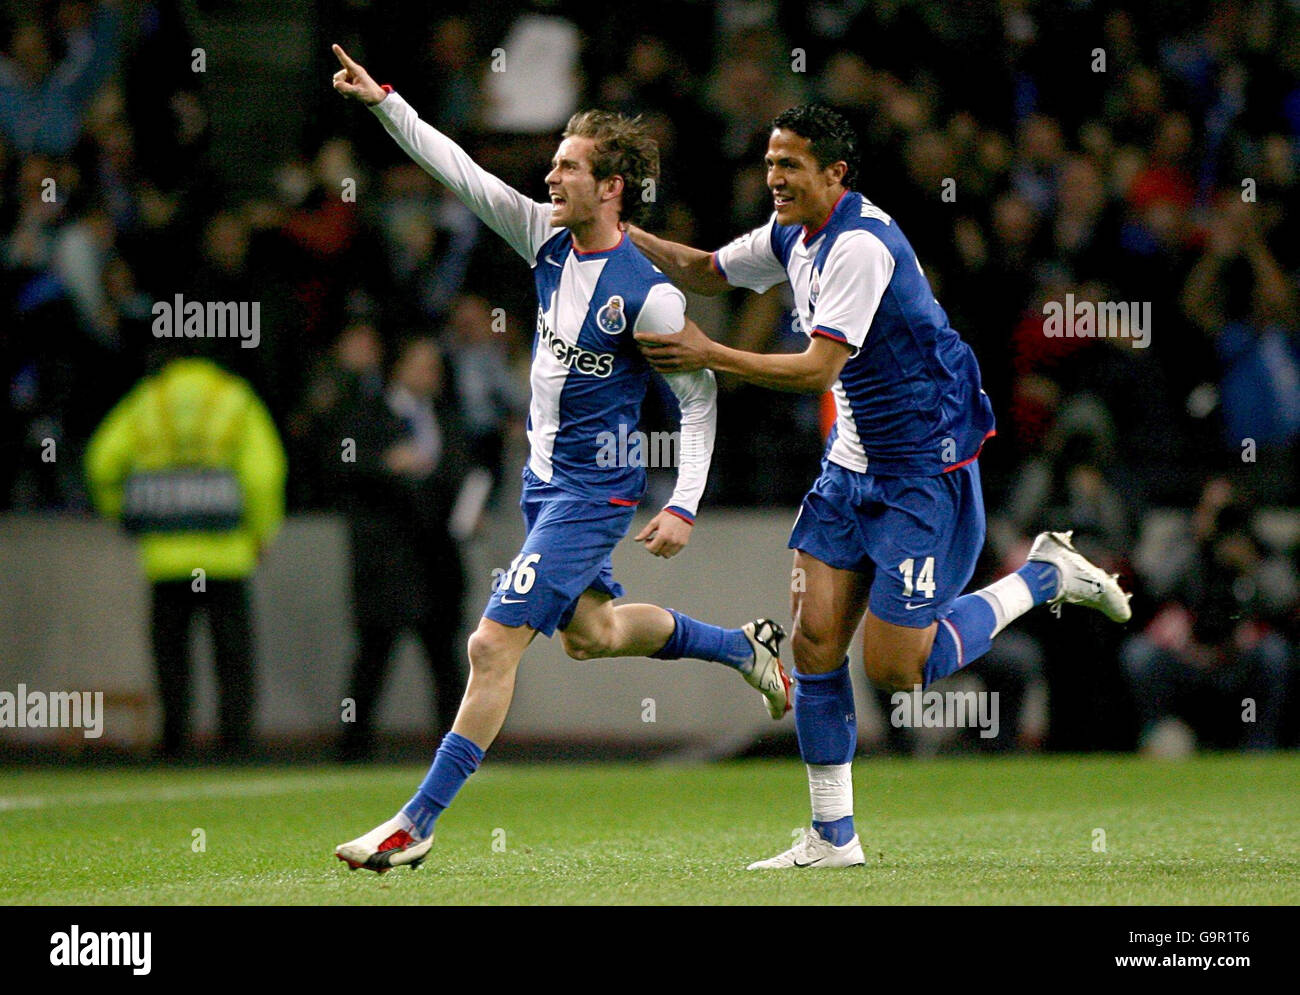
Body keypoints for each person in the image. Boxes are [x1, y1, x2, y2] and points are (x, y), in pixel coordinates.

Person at [632, 104, 1133, 869]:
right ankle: (833, 836)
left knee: (897, 669)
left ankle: (1045, 574)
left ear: (835, 173)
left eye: (790, 164)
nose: (774, 177)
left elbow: (815, 370)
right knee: (812, 641)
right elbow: (703, 268)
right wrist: (621, 235)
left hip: (923, 470)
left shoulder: (859, 247)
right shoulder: (788, 237)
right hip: (852, 465)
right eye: (770, 163)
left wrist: (709, 351)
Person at [329, 43, 790, 872]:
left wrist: (683, 500)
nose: (551, 179)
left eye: (568, 168)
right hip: (545, 486)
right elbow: (460, 170)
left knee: (489, 645)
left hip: (595, 491)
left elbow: (697, 398)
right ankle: (741, 649)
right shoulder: (542, 237)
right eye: (552, 165)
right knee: (594, 632)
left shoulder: (647, 292)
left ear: (610, 187)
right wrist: (384, 101)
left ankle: (417, 820)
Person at [85, 349, 286, 759]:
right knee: (232, 657)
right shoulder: (233, 397)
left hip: (166, 558)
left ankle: (175, 743)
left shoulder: (149, 397)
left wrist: (122, 513)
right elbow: (264, 473)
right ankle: (236, 744)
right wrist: (261, 530)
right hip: (227, 555)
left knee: (171, 657)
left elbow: (101, 462)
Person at [332, 337, 470, 761]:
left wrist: (468, 508)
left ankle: (459, 750)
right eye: (422, 364)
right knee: (374, 654)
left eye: (435, 365)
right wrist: (385, 464)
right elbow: (338, 464)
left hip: (439, 559)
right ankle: (353, 748)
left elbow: (464, 471)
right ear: (398, 368)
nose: (432, 373)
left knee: (445, 659)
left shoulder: (447, 418)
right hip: (386, 558)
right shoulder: (366, 415)